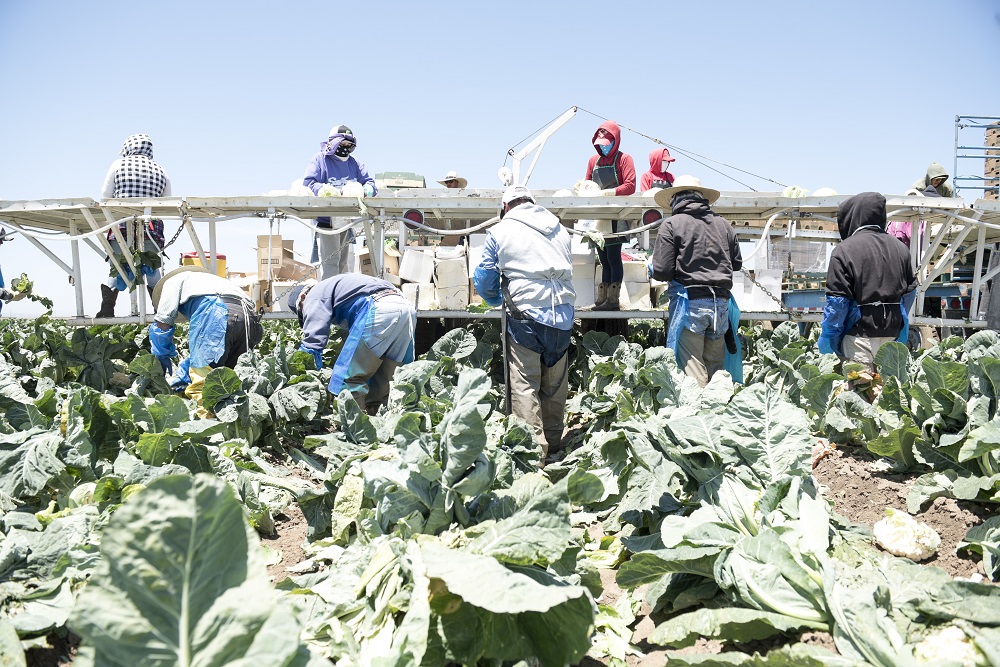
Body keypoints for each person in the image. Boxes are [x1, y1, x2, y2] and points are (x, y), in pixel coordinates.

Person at [473, 185, 575, 460]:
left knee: (525, 384)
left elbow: (485, 279)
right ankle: (553, 442)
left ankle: (533, 453)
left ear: (506, 207)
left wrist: (494, 300)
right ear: (532, 203)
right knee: (554, 384)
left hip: (525, 316)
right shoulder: (559, 229)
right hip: (563, 317)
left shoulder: (501, 231)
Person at [651, 175, 743, 387]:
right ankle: (718, 417)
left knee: (694, 378)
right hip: (720, 309)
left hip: (690, 306)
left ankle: (698, 417)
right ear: (703, 199)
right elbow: (736, 264)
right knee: (716, 373)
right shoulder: (724, 225)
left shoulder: (672, 225)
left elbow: (662, 272)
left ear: (674, 200)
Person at [288, 274, 415, 415]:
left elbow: (313, 344)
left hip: (379, 308)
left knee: (347, 378)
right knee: (390, 377)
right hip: (407, 308)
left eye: (303, 312)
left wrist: (300, 377)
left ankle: (355, 428)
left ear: (303, 299)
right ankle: (389, 424)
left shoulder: (314, 295)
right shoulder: (336, 286)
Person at [818, 192, 917, 372]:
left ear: (853, 217)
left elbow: (838, 303)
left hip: (858, 337)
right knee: (888, 393)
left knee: (861, 394)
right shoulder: (901, 248)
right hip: (892, 336)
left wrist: (829, 336)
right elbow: (910, 293)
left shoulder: (844, 250)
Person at [149, 266, 263, 416]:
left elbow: (162, 323)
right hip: (250, 319)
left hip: (216, 312)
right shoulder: (216, 282)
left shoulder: (172, 282)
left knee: (204, 384)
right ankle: (235, 430)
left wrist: (159, 358)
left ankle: (208, 429)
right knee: (230, 381)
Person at [97, 133, 173, 317]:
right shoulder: (161, 170)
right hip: (150, 230)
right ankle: (159, 310)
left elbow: (105, 196)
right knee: (152, 267)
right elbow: (167, 202)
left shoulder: (118, 165)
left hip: (121, 228)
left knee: (117, 265)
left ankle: (107, 308)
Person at [302, 124, 377, 280]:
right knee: (331, 264)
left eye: (349, 145)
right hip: (326, 221)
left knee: (343, 265)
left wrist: (366, 190)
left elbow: (370, 183)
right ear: (332, 143)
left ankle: (342, 297)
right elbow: (309, 182)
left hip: (346, 221)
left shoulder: (355, 163)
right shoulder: (320, 159)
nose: (345, 148)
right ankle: (329, 299)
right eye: (342, 144)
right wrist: (324, 190)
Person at [584, 120, 636, 311]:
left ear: (616, 141)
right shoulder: (593, 161)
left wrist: (611, 192)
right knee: (603, 260)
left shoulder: (624, 159)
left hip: (616, 215)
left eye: (607, 144)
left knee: (614, 258)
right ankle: (602, 300)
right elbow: (587, 182)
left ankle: (613, 300)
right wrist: (583, 187)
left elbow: (630, 185)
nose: (603, 148)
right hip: (598, 216)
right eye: (600, 145)